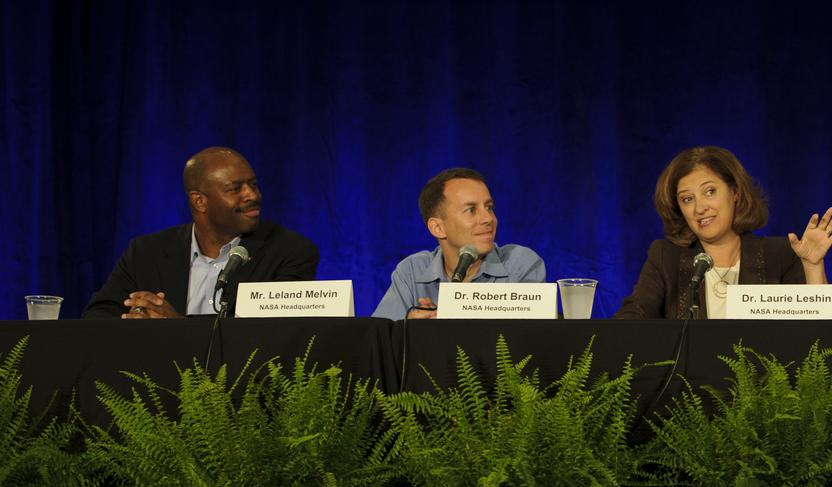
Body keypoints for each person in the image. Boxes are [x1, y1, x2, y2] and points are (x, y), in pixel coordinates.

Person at [82, 147, 319, 319]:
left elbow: (273, 338)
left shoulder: (290, 252)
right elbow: (98, 317)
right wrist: (136, 319)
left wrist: (177, 330)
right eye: (235, 189)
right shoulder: (147, 252)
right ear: (199, 202)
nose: (252, 195)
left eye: (254, 184)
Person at [613, 146, 832, 319]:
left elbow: (817, 337)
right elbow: (632, 320)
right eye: (687, 199)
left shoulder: (781, 255)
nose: (699, 208)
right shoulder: (666, 257)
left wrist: (813, 267)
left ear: (734, 192)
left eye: (710, 192)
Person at [372, 168, 545, 319]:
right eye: (471, 210)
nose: (488, 219)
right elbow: (378, 341)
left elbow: (528, 342)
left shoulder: (520, 264)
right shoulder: (411, 271)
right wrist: (407, 331)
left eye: (489, 207)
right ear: (438, 228)